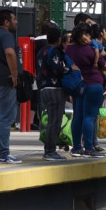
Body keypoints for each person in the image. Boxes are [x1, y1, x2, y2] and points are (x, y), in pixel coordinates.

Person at [65, 26, 106, 157]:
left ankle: (77, 147)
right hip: (94, 83)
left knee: (78, 117)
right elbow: (103, 64)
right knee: (89, 117)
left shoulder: (69, 49)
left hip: (78, 85)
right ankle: (89, 148)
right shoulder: (92, 49)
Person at [0, 9, 21, 164]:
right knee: (5, 119)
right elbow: (10, 53)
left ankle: (2, 152)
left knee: (2, 117)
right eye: (13, 19)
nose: (16, 22)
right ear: (6, 22)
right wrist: (14, 75)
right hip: (4, 81)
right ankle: (2, 153)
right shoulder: (7, 36)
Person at [33, 24, 71, 160]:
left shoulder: (41, 51)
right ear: (58, 39)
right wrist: (69, 70)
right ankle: (50, 151)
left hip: (43, 88)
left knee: (51, 119)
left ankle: (49, 149)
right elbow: (57, 69)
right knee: (55, 120)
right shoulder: (54, 51)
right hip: (55, 88)